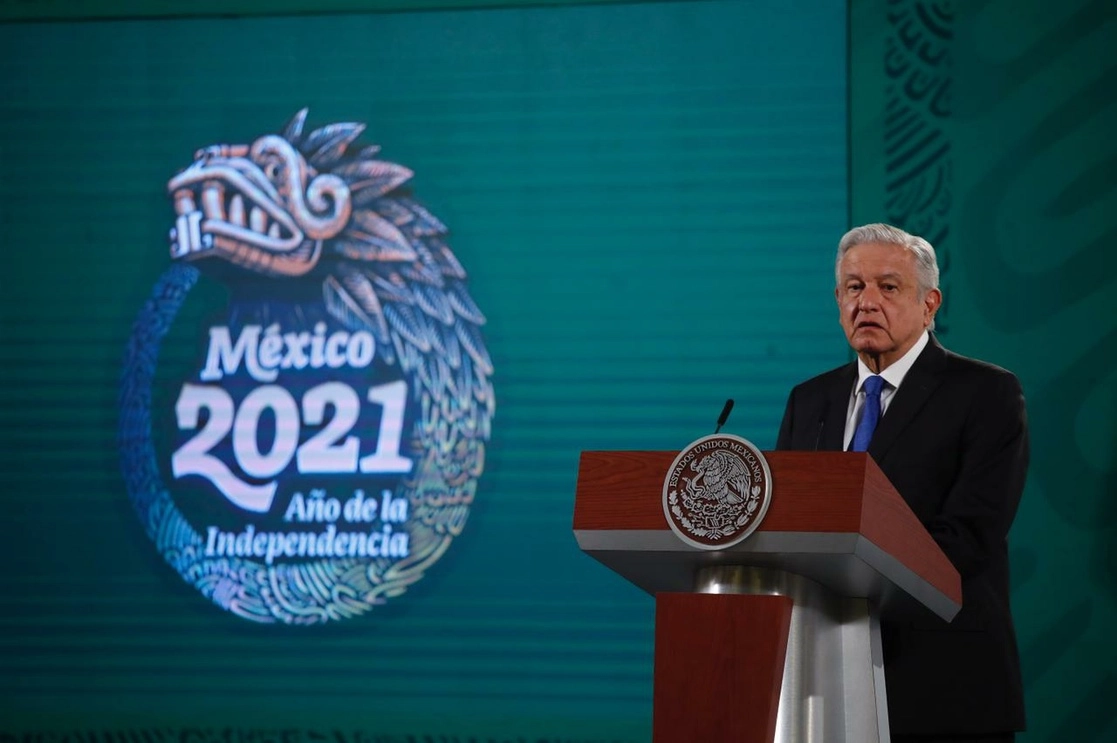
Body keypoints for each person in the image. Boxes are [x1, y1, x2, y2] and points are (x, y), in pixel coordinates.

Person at [776, 223, 1028, 743]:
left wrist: (851, 584)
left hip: (940, 677)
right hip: (821, 681)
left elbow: (970, 537)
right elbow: (787, 525)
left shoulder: (986, 394)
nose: (866, 302)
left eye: (887, 287)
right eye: (853, 287)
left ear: (930, 303)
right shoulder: (809, 400)